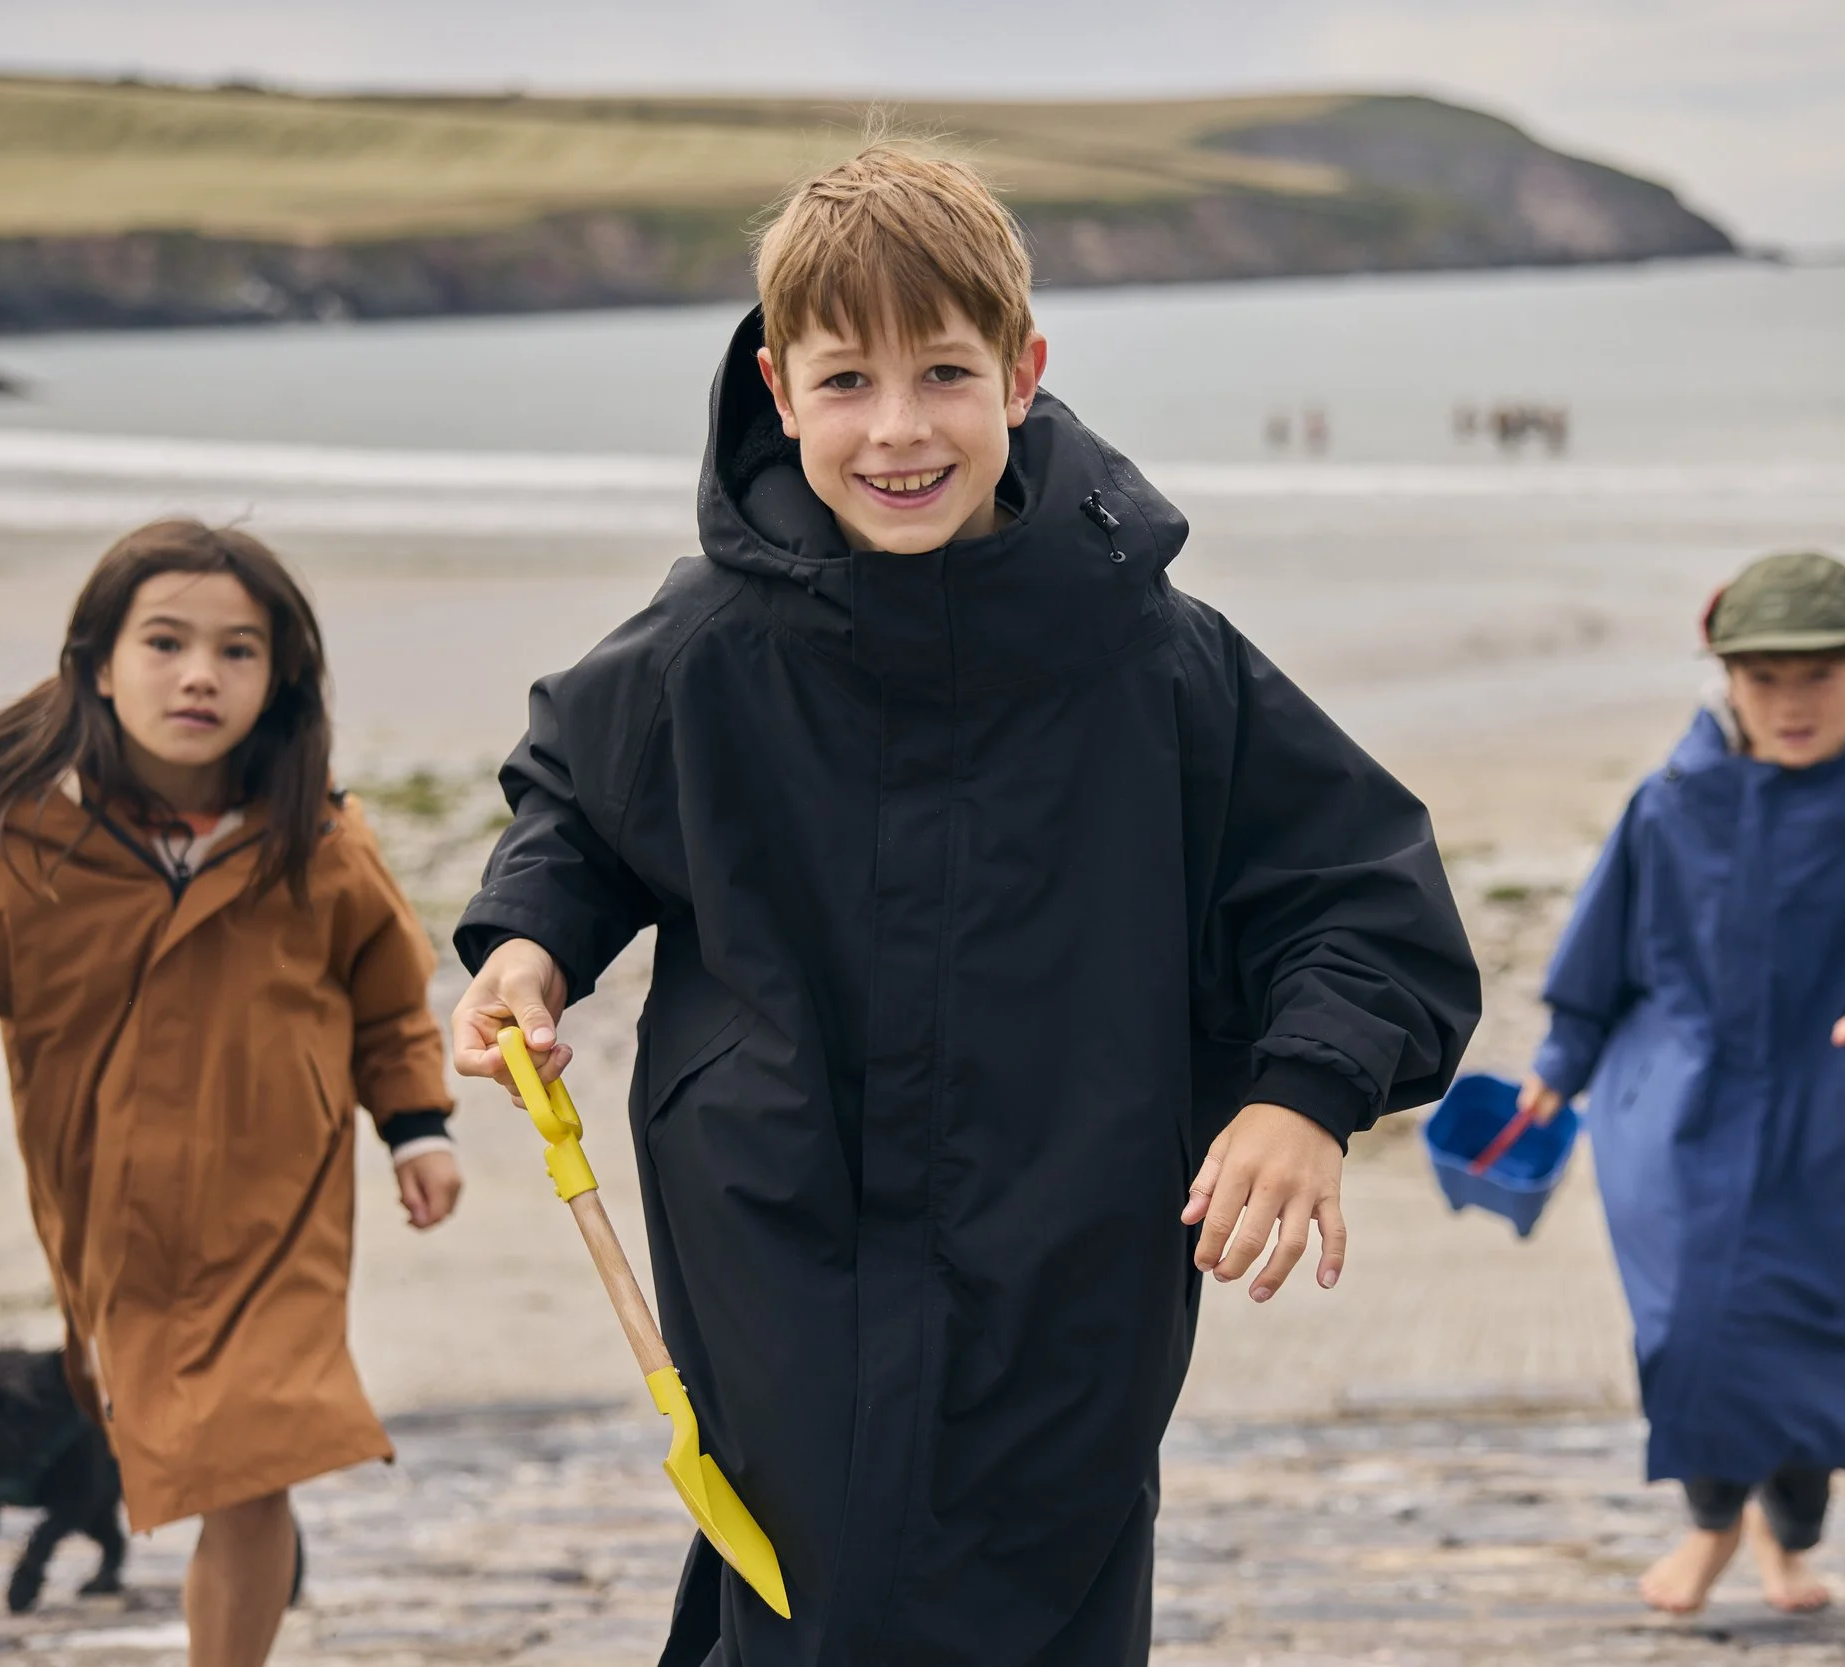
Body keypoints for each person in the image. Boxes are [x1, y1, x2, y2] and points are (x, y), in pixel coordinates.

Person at [448, 145, 1483, 1664]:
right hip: (774, 1216)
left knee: (1040, 1579)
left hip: (1072, 1229)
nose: (900, 429)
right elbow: (583, 810)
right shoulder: (707, 644)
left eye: (944, 372)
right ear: (780, 390)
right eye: (848, 382)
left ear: (1022, 369)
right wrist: (530, 945)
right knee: (817, 1587)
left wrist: (1302, 1096)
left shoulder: (1157, 657)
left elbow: (1364, 896)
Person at [0, 521, 458, 1667]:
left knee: (255, 1452)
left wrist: (416, 1126)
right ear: (94, 663)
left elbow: (387, 998)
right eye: (166, 641)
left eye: (238, 650)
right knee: (176, 1437)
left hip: (283, 1212)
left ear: (280, 678)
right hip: (111, 1222)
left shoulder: (318, 841)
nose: (200, 675)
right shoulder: (16, 852)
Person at [1520, 551, 1845, 1615]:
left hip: (1828, 1130)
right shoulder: (1668, 806)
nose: (1790, 703)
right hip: (1672, 1115)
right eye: (1763, 679)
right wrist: (1559, 1067)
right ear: (1725, 681)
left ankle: (1788, 1533)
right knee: (1692, 1329)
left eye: (1818, 677)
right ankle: (1707, 1525)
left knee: (1813, 1337)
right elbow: (1598, 955)